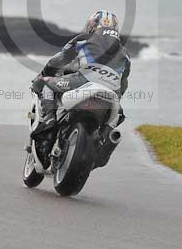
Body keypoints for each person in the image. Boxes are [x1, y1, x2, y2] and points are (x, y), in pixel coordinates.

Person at [30, 10, 130, 167]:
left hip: (84, 81)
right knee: (119, 114)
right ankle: (104, 140)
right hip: (111, 94)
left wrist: (43, 74)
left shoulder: (83, 40)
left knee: (46, 84)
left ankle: (48, 124)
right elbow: (123, 84)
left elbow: (58, 61)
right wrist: (116, 96)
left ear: (92, 26)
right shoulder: (125, 54)